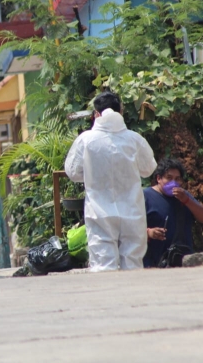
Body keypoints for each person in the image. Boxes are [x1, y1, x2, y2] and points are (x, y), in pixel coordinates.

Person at [64, 91, 157, 272]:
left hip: (99, 212)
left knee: (103, 265)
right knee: (133, 264)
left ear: (96, 114)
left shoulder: (86, 140)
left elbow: (73, 173)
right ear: (120, 112)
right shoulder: (134, 139)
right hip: (132, 211)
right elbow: (148, 170)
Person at [144, 158, 203, 268]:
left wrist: (186, 200)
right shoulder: (145, 197)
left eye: (177, 179)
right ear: (158, 178)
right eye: (169, 178)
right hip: (154, 264)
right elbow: (130, 229)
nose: (173, 183)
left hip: (182, 261)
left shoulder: (184, 196)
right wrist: (149, 233)